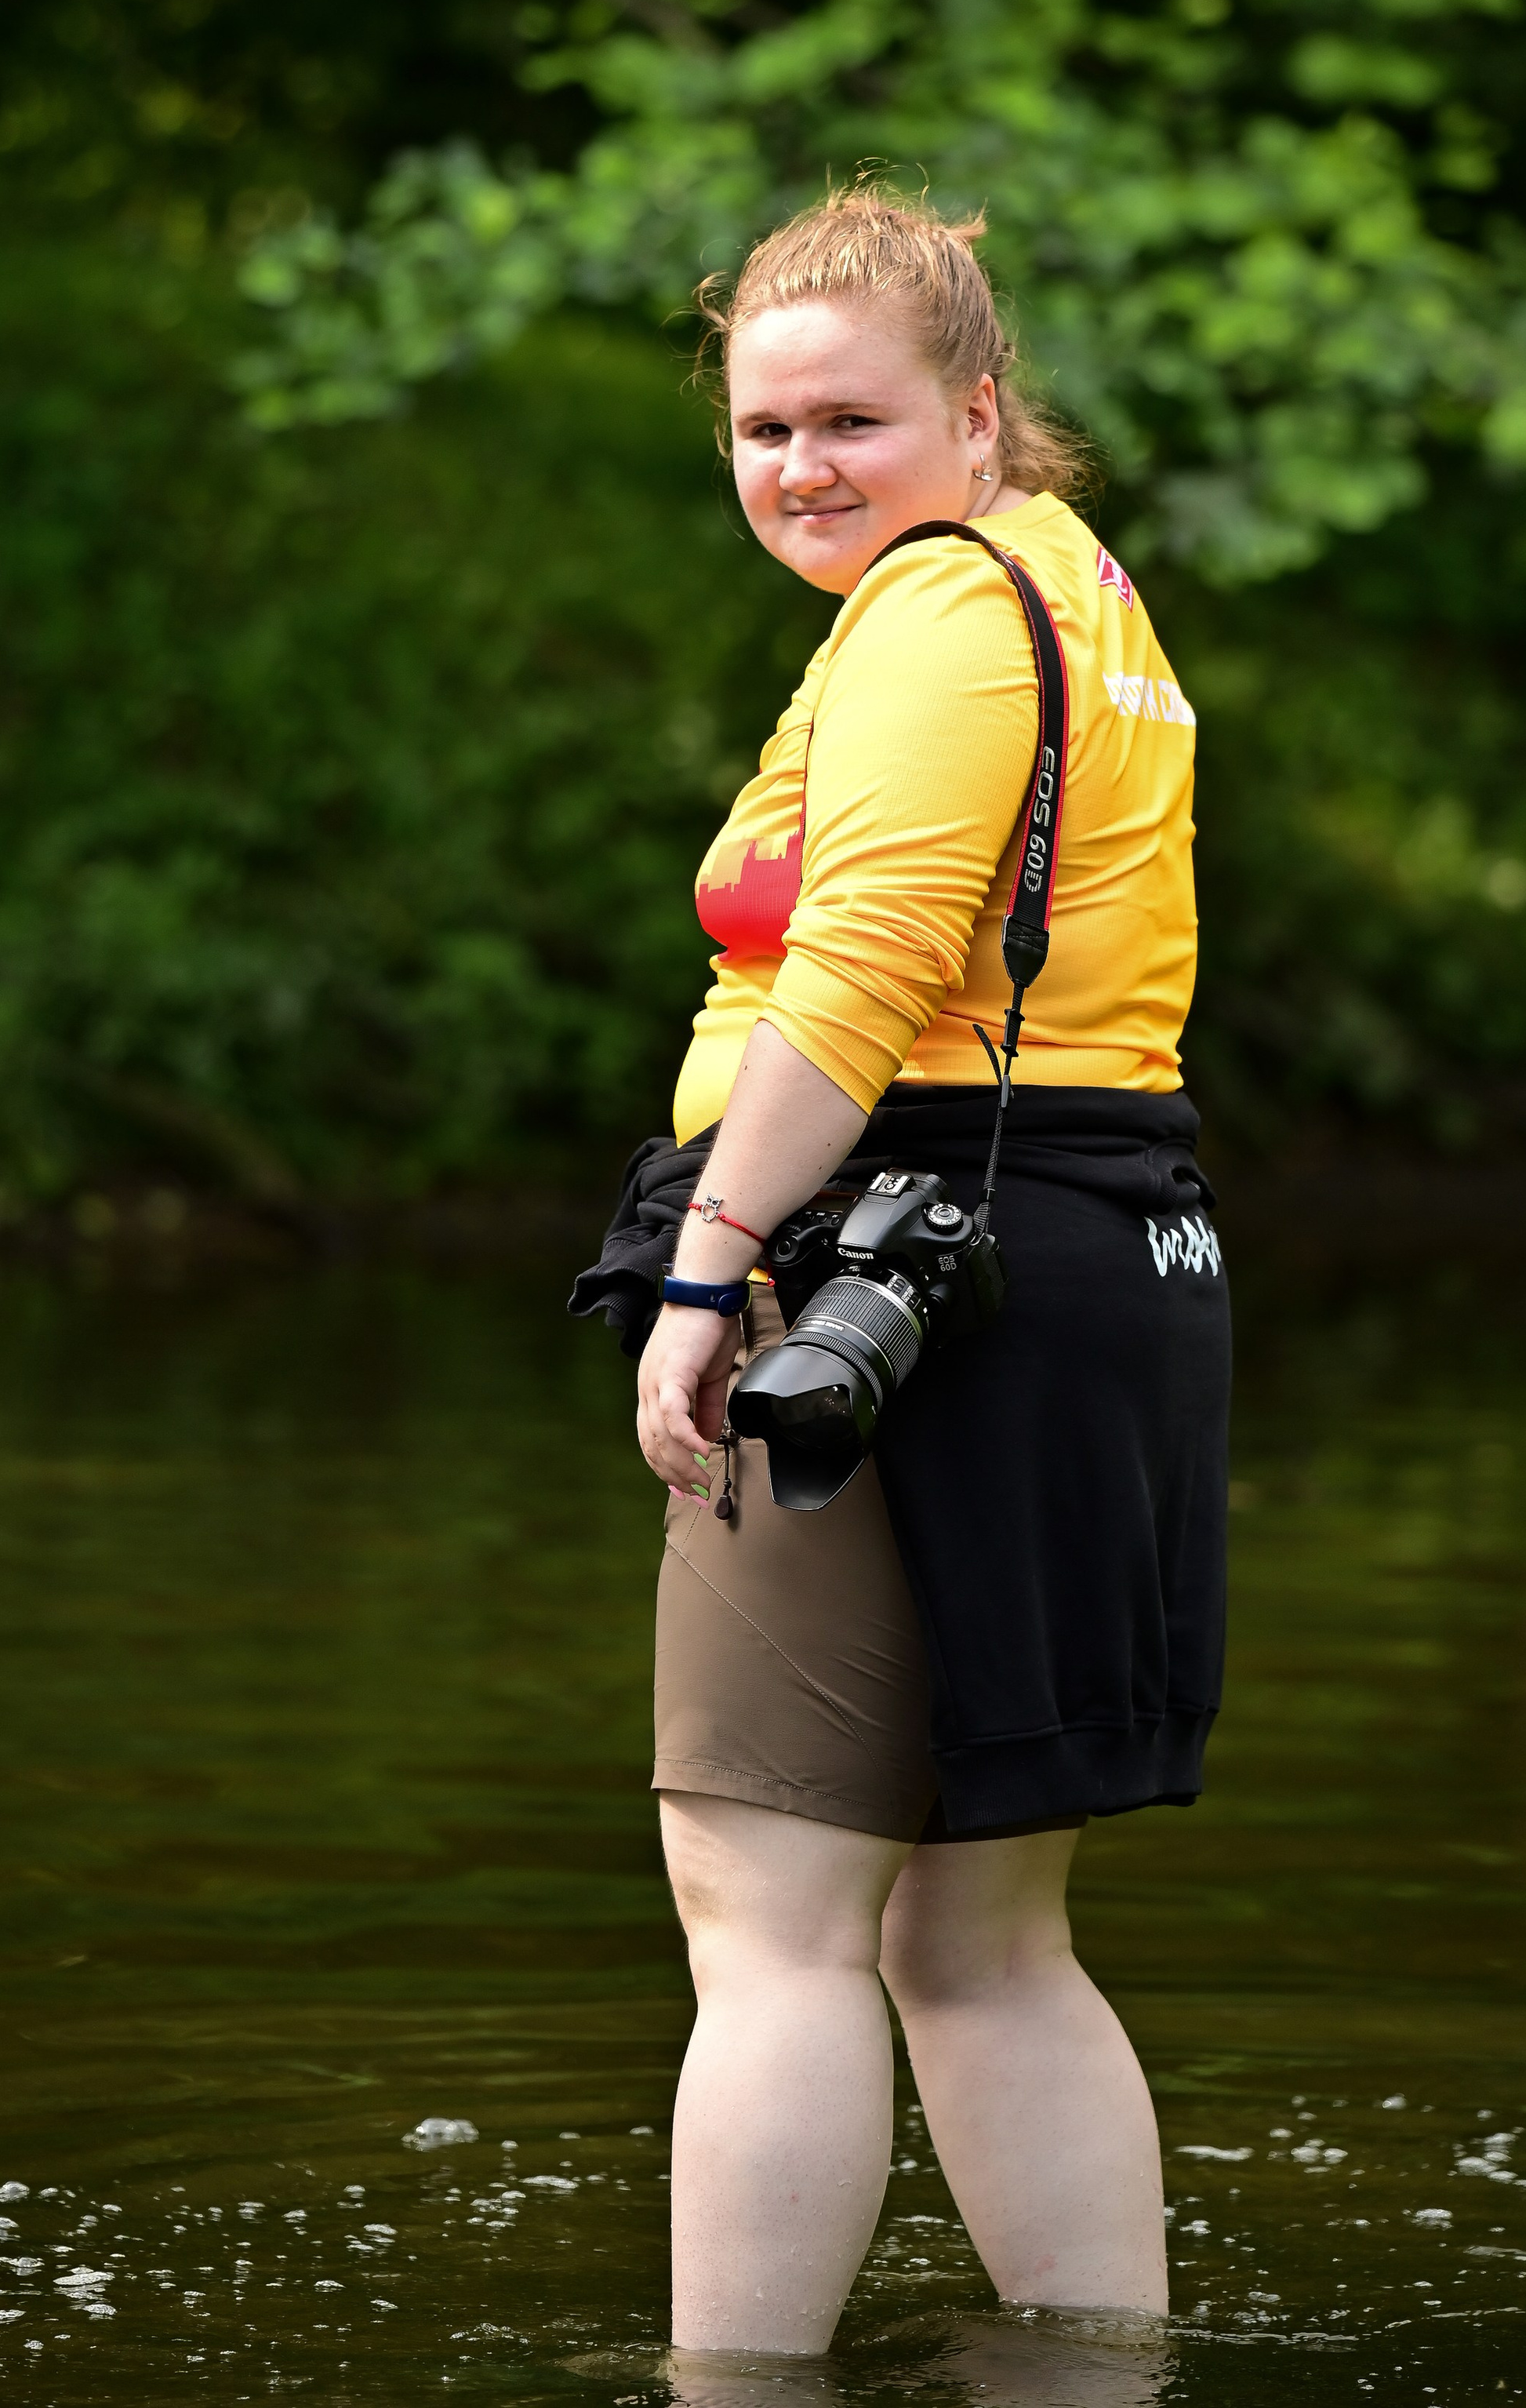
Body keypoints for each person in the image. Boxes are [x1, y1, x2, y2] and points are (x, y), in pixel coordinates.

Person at [576, 188, 1229, 2359]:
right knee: (980, 1931)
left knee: (765, 1918)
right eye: (761, 432)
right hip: (1090, 1239)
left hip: (896, 1261)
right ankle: (1095, 2379)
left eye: (846, 420)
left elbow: (852, 987)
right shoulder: (1078, 594)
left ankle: (732, 2395)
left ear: (976, 405)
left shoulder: (946, 612)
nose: (798, 472)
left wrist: (707, 1275)